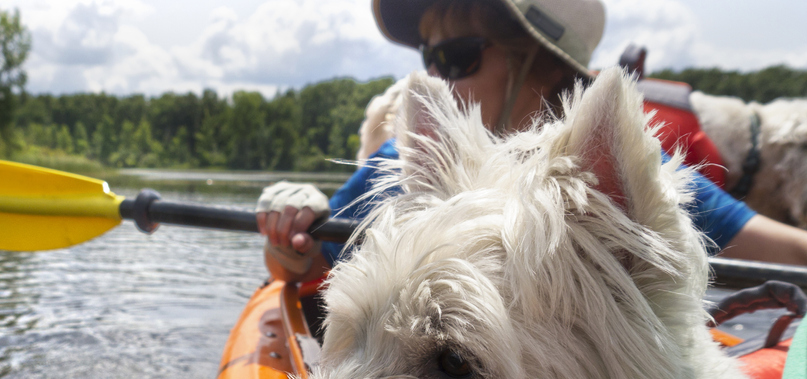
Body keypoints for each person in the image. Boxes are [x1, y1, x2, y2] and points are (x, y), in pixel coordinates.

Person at [257, 0, 807, 283]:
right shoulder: (409, 160)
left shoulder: (616, 172)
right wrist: (287, 238)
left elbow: (785, 254)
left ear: (538, 63)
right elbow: (305, 266)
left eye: (454, 56)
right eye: (429, 56)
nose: (433, 76)